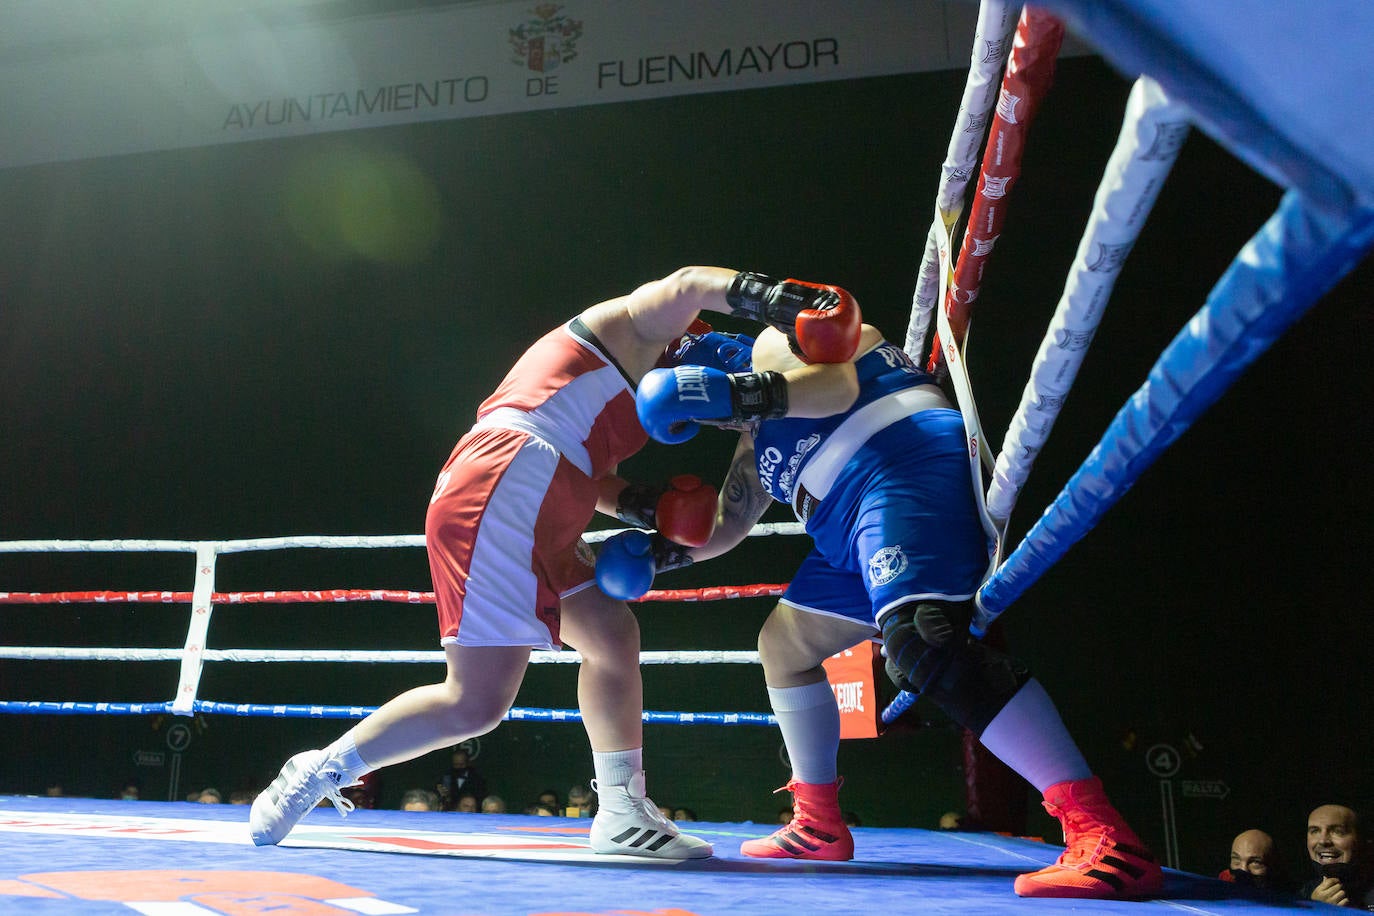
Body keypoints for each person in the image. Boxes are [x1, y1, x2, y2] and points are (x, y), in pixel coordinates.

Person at [248, 266, 861, 860]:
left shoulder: (628, 405)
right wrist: (777, 298)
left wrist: (648, 510)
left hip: (545, 495)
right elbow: (687, 283)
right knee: (475, 702)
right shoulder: (628, 330)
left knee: (611, 637)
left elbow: (597, 479)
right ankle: (318, 771)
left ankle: (621, 810)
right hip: (506, 480)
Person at [628, 297, 1164, 900]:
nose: (706, 421)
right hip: (848, 529)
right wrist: (648, 553)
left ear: (698, 364)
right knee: (783, 646)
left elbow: (831, 381)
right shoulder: (755, 444)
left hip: (899, 470)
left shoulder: (781, 341)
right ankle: (818, 823)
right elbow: (723, 530)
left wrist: (726, 393)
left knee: (922, 643)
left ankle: (1105, 836)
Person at [1301, 804, 1374, 908]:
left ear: (1363, 841)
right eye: (1315, 831)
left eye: (1338, 831)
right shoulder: (1304, 893)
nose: (1323, 841)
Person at [1220, 828, 1288, 894]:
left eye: (1255, 863)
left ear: (1275, 867)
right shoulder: (1223, 883)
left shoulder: (1286, 897)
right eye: (1236, 860)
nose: (1243, 870)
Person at [435, 746, 486, 811]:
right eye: (456, 764)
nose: (459, 767)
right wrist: (443, 794)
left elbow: (480, 799)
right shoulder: (447, 776)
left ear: (468, 763)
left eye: (461, 764)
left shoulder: (477, 779)